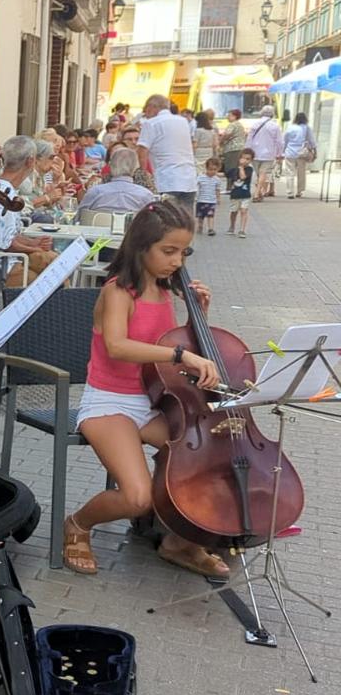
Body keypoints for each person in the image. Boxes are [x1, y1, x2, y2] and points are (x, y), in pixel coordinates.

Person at [62, 201, 229, 579]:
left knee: (203, 459)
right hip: (108, 403)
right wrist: (181, 354)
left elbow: (170, 345)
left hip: (154, 402)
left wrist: (198, 315)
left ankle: (180, 541)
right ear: (141, 246)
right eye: (168, 251)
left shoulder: (167, 291)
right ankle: (77, 524)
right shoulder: (117, 292)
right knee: (136, 497)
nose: (177, 261)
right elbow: (118, 346)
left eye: (183, 252)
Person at [0, 135, 58, 288]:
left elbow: (6, 233)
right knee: (54, 280)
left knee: (54, 261)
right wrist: (34, 247)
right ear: (30, 161)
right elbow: (4, 243)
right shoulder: (4, 195)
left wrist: (32, 242)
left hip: (1, 260)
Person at [136, 94, 197, 215]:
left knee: (166, 219)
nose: (145, 114)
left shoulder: (151, 124)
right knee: (186, 219)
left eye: (145, 111)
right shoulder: (183, 121)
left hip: (166, 179)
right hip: (188, 178)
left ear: (152, 107)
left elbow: (142, 150)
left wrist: (143, 174)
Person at [79, 147, 156, 213]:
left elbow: (79, 218)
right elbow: (152, 222)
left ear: (110, 166)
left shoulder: (95, 192)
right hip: (132, 230)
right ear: (135, 167)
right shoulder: (145, 195)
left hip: (99, 229)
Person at [245, 105, 282, 202]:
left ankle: (257, 192)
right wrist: (280, 154)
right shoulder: (275, 126)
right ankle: (259, 192)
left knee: (258, 174)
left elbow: (249, 138)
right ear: (272, 114)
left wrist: (247, 151)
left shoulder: (255, 124)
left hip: (255, 153)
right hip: (269, 154)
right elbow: (279, 142)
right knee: (263, 173)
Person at [282, 112, 317, 199]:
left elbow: (285, 140)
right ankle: (299, 191)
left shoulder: (290, 127)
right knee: (301, 172)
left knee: (290, 172)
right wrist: (315, 151)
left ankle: (290, 192)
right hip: (302, 153)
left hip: (290, 152)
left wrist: (282, 151)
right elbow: (311, 140)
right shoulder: (307, 128)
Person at [225, 148, 255, 238]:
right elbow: (225, 174)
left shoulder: (249, 169)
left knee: (243, 210)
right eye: (243, 158)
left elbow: (243, 177)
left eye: (248, 159)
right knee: (233, 212)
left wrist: (241, 167)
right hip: (235, 195)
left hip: (245, 195)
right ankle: (232, 226)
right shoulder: (234, 170)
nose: (245, 160)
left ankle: (242, 229)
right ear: (239, 158)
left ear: (251, 160)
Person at [194, 157, 224, 236]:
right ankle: (200, 226)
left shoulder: (217, 179)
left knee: (210, 215)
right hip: (201, 200)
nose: (212, 171)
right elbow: (196, 186)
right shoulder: (201, 177)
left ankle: (210, 229)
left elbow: (217, 190)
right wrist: (195, 196)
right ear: (206, 168)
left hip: (211, 201)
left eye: (215, 169)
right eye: (210, 169)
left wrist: (218, 198)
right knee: (200, 216)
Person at [219, 108, 247, 174]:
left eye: (229, 115)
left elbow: (227, 134)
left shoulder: (232, 124)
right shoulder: (240, 125)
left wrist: (221, 141)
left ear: (235, 116)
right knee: (236, 166)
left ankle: (230, 182)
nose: (227, 117)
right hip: (240, 148)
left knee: (230, 168)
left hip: (232, 149)